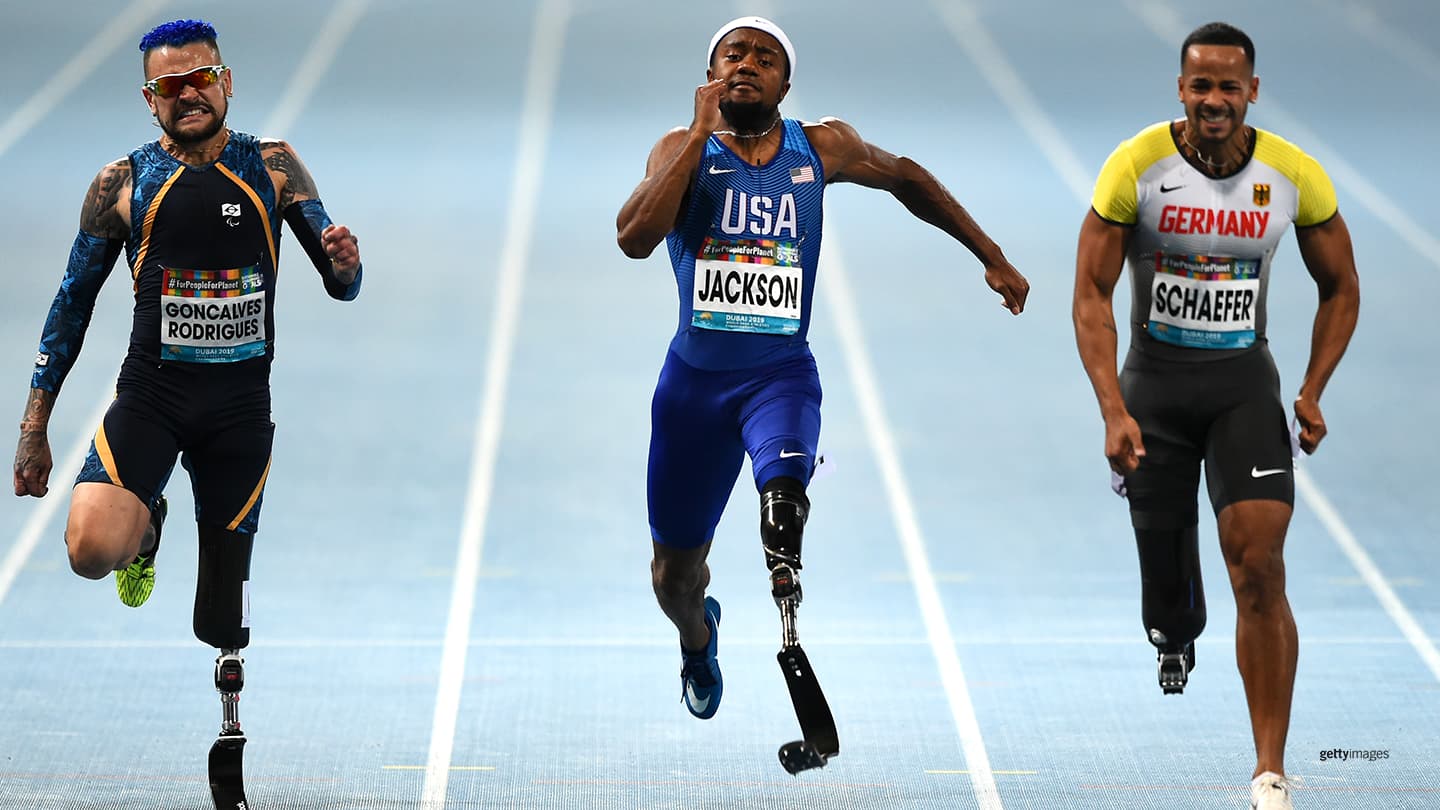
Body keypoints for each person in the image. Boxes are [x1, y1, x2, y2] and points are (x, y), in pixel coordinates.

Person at [617, 16, 1028, 724]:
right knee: (673, 579)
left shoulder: (821, 146)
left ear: (786, 81)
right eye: (732, 55)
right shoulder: (679, 150)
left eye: (765, 57)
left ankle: (785, 547)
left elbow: (906, 179)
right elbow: (632, 238)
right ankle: (698, 636)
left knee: (782, 495)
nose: (747, 64)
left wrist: (989, 252)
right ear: (710, 74)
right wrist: (693, 138)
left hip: (779, 377)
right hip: (692, 391)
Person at [12, 17, 361, 699]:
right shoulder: (120, 183)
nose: (189, 94)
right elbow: (69, 307)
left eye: (201, 78)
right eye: (171, 85)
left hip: (238, 415)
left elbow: (342, 281)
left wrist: (347, 264)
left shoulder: (275, 167)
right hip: (151, 400)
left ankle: (228, 689)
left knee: (221, 621)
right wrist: (33, 426)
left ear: (226, 82)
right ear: (151, 100)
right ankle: (143, 534)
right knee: (89, 553)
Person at [1072, 21, 1359, 810]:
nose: (1215, 101)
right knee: (1169, 607)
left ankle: (1270, 769)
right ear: (1181, 90)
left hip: (1242, 388)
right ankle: (1173, 633)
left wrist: (1311, 389)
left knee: (1260, 567)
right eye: (1201, 86)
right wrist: (1110, 409)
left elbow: (1342, 289)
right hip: (1154, 395)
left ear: (1252, 93)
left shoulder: (1293, 175)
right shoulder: (1137, 167)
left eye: (1230, 87)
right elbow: (1091, 296)